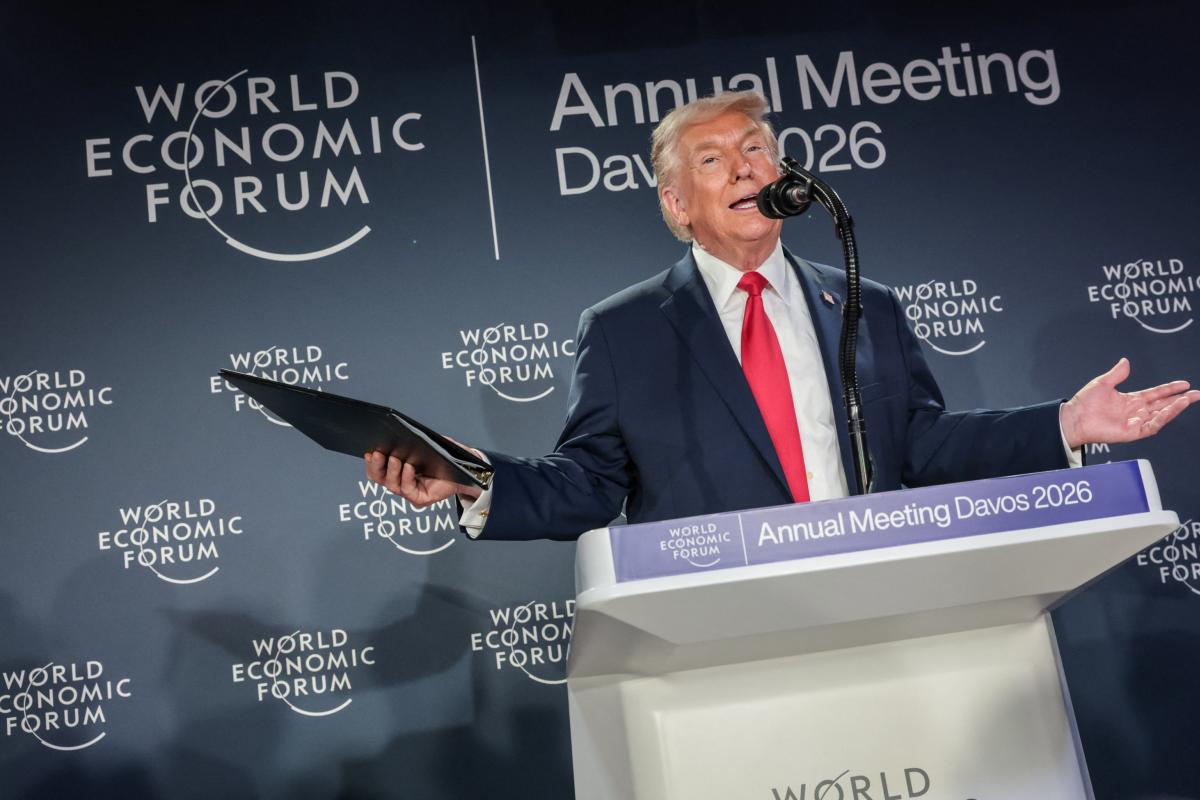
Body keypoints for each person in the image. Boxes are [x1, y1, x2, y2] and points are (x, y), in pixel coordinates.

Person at [366, 91, 1197, 541]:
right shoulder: (624, 332)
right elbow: (591, 484)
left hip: (881, 593)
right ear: (676, 202)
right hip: (722, 629)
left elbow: (924, 445)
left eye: (757, 148)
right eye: (713, 158)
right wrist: (476, 480)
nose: (744, 167)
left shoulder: (865, 302)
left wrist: (1065, 424)